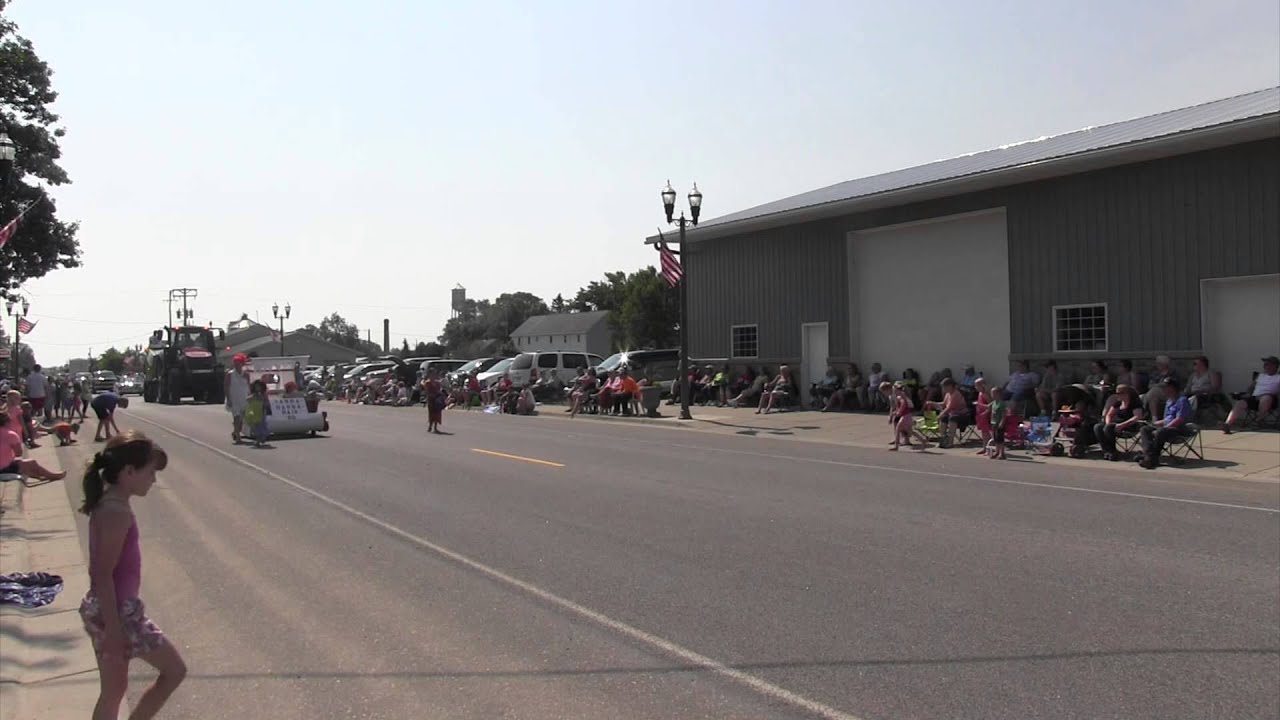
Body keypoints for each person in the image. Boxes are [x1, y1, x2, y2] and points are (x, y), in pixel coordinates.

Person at [79, 432, 186, 720]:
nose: (153, 479)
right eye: (150, 472)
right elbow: (102, 574)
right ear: (129, 472)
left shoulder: (111, 502)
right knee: (174, 670)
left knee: (114, 690)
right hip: (117, 612)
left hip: (112, 608)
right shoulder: (116, 512)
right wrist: (114, 631)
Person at [1137, 378, 1193, 469]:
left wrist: (1165, 427)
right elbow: (1167, 419)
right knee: (1145, 429)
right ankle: (1149, 456)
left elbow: (1180, 419)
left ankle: (1150, 458)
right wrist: (1155, 424)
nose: (1163, 390)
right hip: (1167, 427)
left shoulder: (1182, 400)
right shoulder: (1168, 401)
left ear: (1172, 388)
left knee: (1161, 432)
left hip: (1179, 429)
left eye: (1165, 387)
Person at [0, 411, 66, 480]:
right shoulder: (11, 435)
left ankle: (41, 476)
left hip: (4, 466)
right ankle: (51, 476)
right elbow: (19, 453)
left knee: (23, 464)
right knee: (31, 462)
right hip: (4, 468)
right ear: (7, 422)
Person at [1223, 356, 1280, 433]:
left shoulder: (1278, 377)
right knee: (1240, 403)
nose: (1265, 366)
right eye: (1265, 364)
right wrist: (1248, 394)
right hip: (1255, 398)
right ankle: (1227, 424)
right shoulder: (1260, 376)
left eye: (1267, 364)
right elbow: (1250, 387)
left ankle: (1258, 421)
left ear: (1275, 366)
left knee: (1266, 398)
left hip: (1270, 399)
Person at [1094, 384, 1144, 461]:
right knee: (1098, 427)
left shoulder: (1135, 403)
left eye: (1119, 393)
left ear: (1126, 394)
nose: (1117, 395)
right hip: (1114, 426)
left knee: (1109, 428)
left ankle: (1112, 452)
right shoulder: (1117, 403)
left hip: (1129, 426)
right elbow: (1109, 415)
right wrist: (1108, 423)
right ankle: (1107, 450)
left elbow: (1137, 417)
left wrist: (1122, 425)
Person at [925, 378, 970, 448]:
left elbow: (949, 408)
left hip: (962, 415)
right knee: (944, 418)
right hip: (952, 413)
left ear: (950, 386)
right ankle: (943, 440)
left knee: (953, 418)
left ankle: (950, 442)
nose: (943, 388)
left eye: (945, 386)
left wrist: (938, 417)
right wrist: (933, 403)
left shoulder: (956, 394)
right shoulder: (948, 394)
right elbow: (943, 404)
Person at [886, 381, 929, 452]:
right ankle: (922, 440)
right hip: (906, 415)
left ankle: (896, 446)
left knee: (898, 429)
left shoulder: (900, 396)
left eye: (895, 390)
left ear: (898, 390)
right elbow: (899, 406)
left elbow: (903, 405)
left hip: (905, 416)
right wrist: (896, 412)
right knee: (910, 431)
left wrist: (899, 412)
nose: (894, 392)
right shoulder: (900, 396)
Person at [224, 353, 251, 444]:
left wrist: (250, 396)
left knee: (242, 420)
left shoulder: (246, 374)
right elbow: (226, 387)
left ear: (242, 364)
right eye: (235, 363)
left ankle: (236, 431)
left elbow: (249, 386)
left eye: (239, 363)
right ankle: (238, 438)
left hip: (244, 398)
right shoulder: (230, 374)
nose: (237, 365)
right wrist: (228, 398)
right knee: (237, 417)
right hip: (234, 398)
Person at [243, 380, 272, 447]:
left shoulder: (264, 394)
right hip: (254, 412)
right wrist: (253, 397)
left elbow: (267, 403)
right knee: (255, 427)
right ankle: (259, 439)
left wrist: (264, 403)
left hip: (261, 412)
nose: (258, 388)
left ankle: (260, 439)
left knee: (262, 426)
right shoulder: (252, 394)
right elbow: (247, 399)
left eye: (259, 386)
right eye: (256, 387)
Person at [988, 386, 1008, 460]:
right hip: (993, 423)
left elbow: (1004, 414)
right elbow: (987, 407)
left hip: (999, 423)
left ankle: (1002, 453)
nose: (992, 395)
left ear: (998, 394)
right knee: (995, 439)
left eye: (993, 393)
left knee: (1000, 439)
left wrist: (1002, 422)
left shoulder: (1001, 403)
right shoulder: (993, 402)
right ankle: (997, 452)